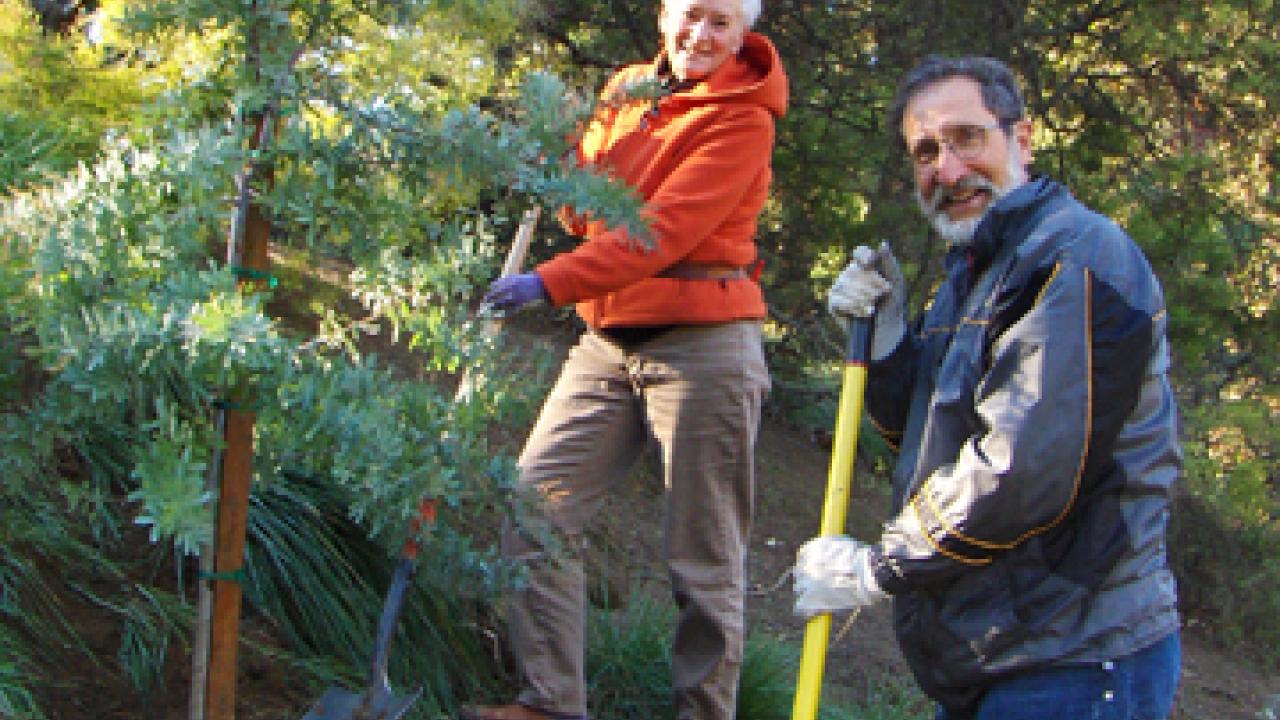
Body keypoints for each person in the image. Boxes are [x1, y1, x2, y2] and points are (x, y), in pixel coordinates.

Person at [792, 55, 1182, 720]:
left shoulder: (1075, 259)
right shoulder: (978, 272)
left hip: (1076, 657)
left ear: (1021, 140)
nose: (946, 170)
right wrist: (886, 342)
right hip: (1001, 652)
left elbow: (1019, 469)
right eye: (924, 152)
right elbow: (925, 435)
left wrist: (877, 569)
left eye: (966, 137)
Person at [461, 1, 787, 719]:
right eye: (691, 14)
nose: (701, 35)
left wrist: (548, 282)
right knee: (535, 506)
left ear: (743, 35)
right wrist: (558, 168)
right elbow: (591, 211)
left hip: (705, 345)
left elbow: (658, 234)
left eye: (722, 23)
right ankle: (550, 703)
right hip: (608, 341)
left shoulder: (743, 120)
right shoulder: (627, 91)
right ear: (663, 14)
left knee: (702, 559)